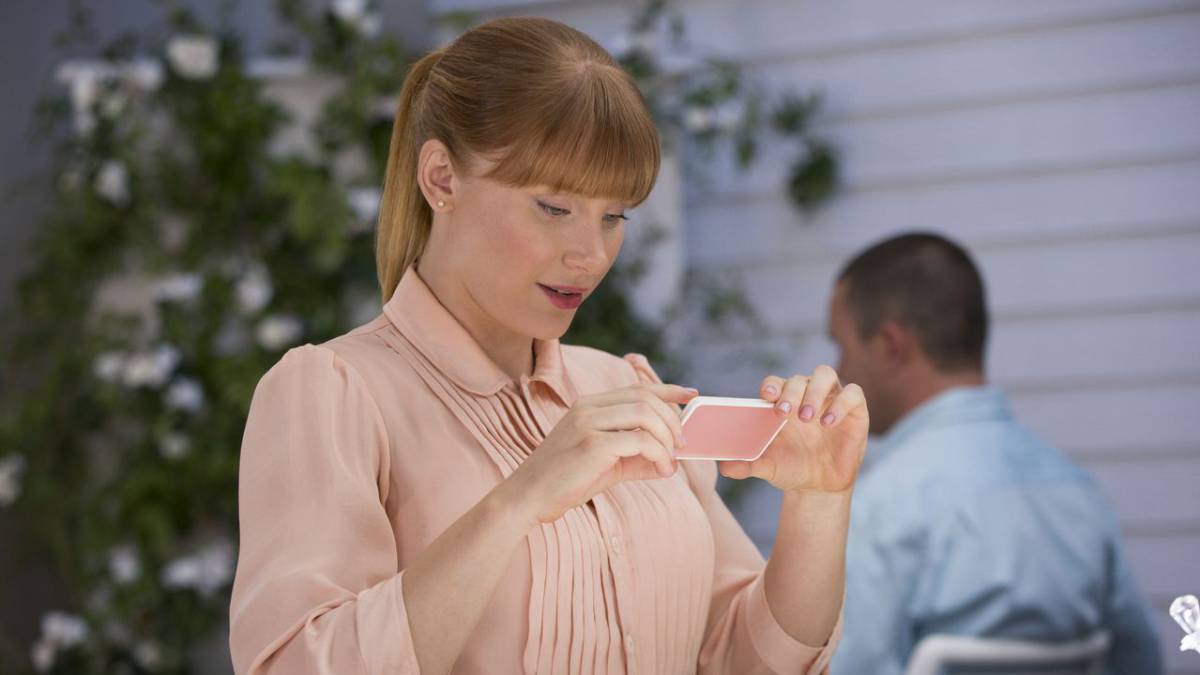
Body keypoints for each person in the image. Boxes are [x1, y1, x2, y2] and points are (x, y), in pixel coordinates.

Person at [228, 17, 870, 675]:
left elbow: (742, 662)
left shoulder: (626, 387)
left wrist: (818, 501)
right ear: (441, 178)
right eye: (554, 207)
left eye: (614, 215)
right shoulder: (335, 393)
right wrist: (521, 497)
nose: (591, 255)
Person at [825, 233, 1163, 675]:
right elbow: (1139, 660)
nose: (837, 370)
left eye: (842, 346)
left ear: (892, 345)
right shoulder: (1078, 492)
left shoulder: (875, 508)